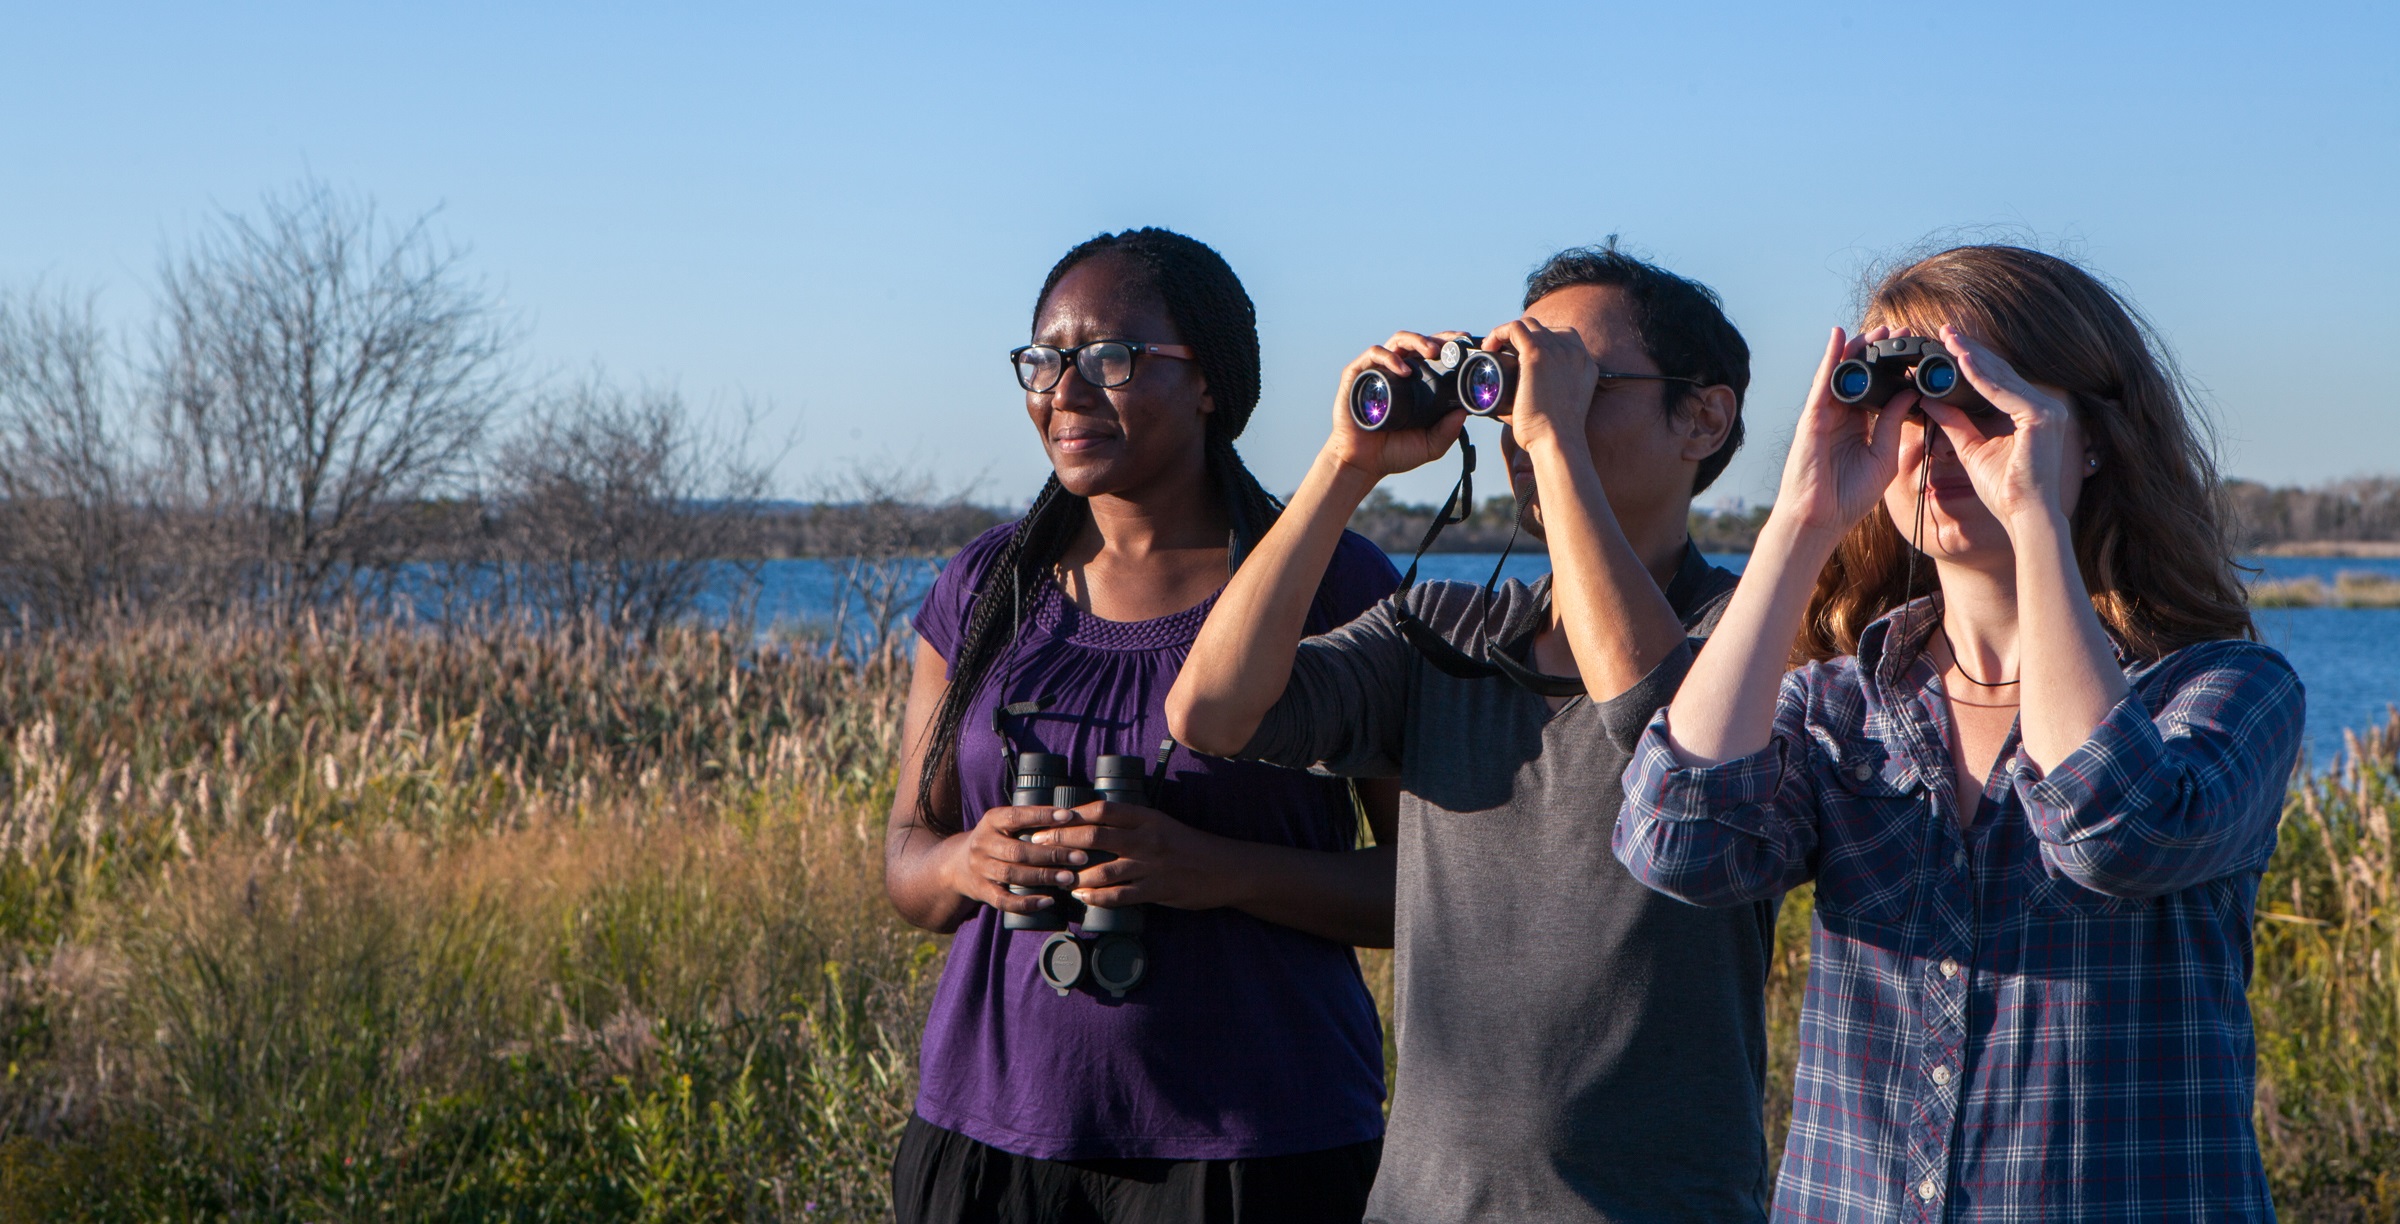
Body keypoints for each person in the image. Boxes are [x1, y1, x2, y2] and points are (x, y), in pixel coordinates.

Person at [1614, 245, 2303, 1221]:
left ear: (2092, 436)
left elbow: (2115, 829)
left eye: (1975, 398)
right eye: (1893, 400)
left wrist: (2035, 523)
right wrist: (1801, 520)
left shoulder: (2224, 692)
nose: (1934, 439)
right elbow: (1674, 842)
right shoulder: (1835, 710)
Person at [1168, 244, 1772, 1223]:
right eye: (1520, 387)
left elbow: (1659, 724)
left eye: (1578, 380)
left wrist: (1556, 439)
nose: (1531, 422)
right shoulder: (1443, 632)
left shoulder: (1749, 644)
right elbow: (1211, 712)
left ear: (1704, 416)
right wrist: (1344, 464)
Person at [883, 227, 1402, 1224]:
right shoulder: (986, 588)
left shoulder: (1329, 581)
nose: (1064, 390)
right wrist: (965, 865)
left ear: (1210, 382)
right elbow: (908, 860)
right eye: (1044, 359)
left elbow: (1436, 890)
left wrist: (1218, 871)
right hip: (993, 1140)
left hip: (1260, 1150)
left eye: (1111, 358)